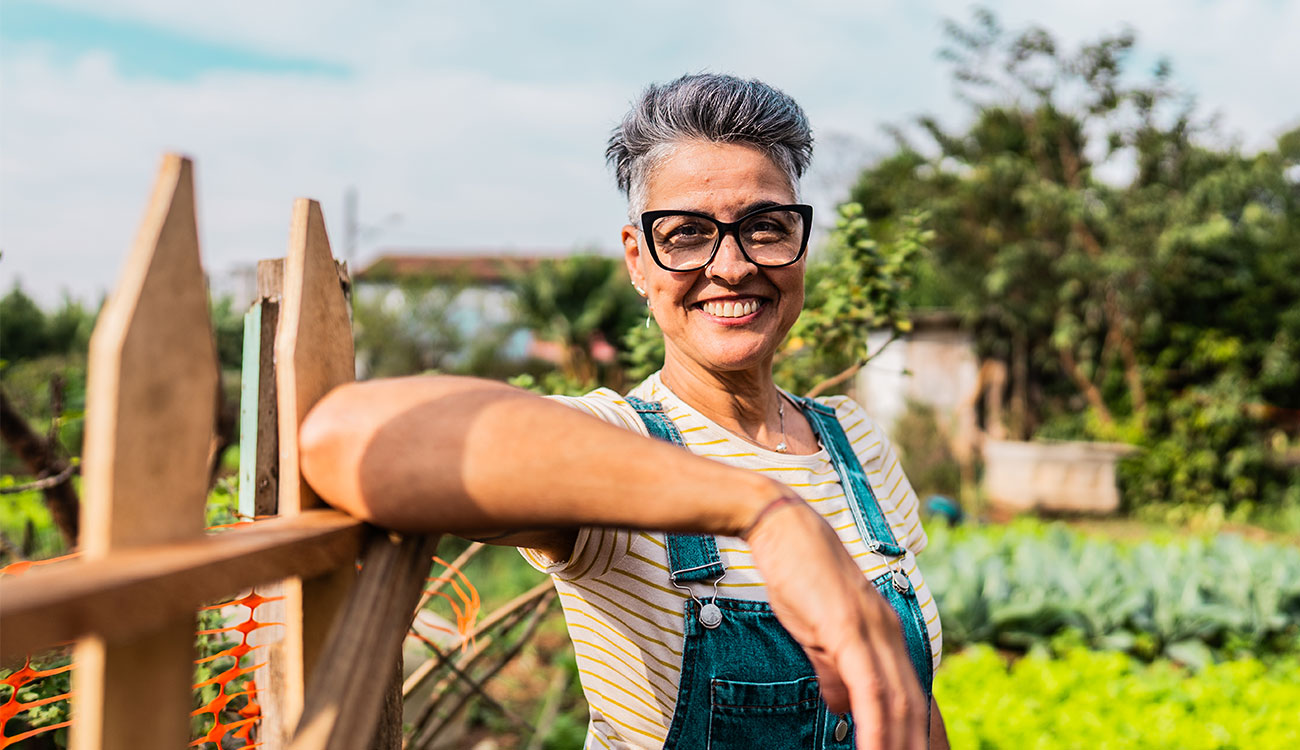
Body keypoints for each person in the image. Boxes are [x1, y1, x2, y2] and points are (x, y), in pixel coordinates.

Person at [299, 73, 948, 750]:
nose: (731, 266)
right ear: (638, 261)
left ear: (801, 244)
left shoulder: (853, 440)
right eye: (688, 235)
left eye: (766, 227)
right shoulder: (613, 446)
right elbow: (348, 438)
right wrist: (763, 512)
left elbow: (913, 704)